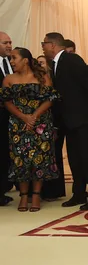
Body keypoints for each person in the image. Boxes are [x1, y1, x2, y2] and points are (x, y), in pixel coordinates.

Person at [42, 32, 88, 210]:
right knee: (75, 159)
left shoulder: (71, 59)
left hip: (83, 118)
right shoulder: (56, 63)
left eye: (44, 44)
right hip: (70, 120)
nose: (42, 47)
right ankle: (79, 193)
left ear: (52, 45)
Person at [0, 48, 59, 212]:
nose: (11, 62)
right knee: (20, 160)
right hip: (18, 124)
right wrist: (24, 117)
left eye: (14, 58)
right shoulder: (9, 79)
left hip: (40, 123)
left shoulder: (42, 77)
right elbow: (6, 101)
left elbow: (50, 99)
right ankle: (23, 196)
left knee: (39, 158)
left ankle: (36, 195)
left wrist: (33, 116)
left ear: (25, 60)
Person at [0, 31, 14, 206]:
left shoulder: (13, 63)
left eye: (10, 42)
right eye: (5, 43)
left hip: (14, 117)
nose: (9, 45)